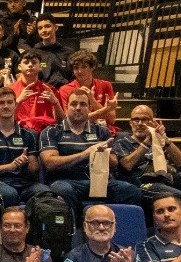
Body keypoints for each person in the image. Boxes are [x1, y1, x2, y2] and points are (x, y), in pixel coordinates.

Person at [39, 88, 142, 217]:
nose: (78, 108)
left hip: (98, 181)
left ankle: (115, 227)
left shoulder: (101, 131)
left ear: (89, 108)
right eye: (74, 104)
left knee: (132, 191)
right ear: (67, 107)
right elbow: (49, 163)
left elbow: (114, 163)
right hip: (66, 181)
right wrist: (86, 153)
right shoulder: (52, 131)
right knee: (62, 190)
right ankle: (76, 227)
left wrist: (103, 154)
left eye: (83, 104)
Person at [111, 104, 181, 215]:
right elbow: (127, 164)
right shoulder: (122, 142)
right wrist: (146, 143)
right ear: (131, 123)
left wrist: (165, 139)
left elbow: (180, 161)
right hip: (145, 183)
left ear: (152, 122)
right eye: (136, 120)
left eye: (144, 119)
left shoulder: (158, 139)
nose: (140, 123)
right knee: (175, 195)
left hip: (169, 179)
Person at [0, 87, 48, 209]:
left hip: (24, 183)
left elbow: (34, 169)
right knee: (9, 194)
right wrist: (10, 166)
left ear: (15, 105)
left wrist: (26, 162)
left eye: (9, 102)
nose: (6, 106)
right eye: (1, 103)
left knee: (46, 192)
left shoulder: (29, 134)